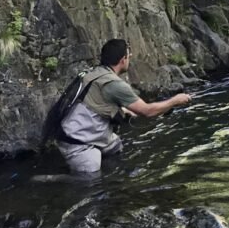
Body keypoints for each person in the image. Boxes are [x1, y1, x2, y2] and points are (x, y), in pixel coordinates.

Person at [56, 39, 190, 174]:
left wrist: (124, 111)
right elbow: (147, 111)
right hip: (76, 142)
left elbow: (97, 103)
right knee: (90, 181)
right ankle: (54, 180)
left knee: (115, 146)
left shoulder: (95, 73)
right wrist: (175, 100)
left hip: (70, 131)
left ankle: (114, 177)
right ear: (123, 60)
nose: (129, 59)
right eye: (128, 56)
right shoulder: (115, 85)